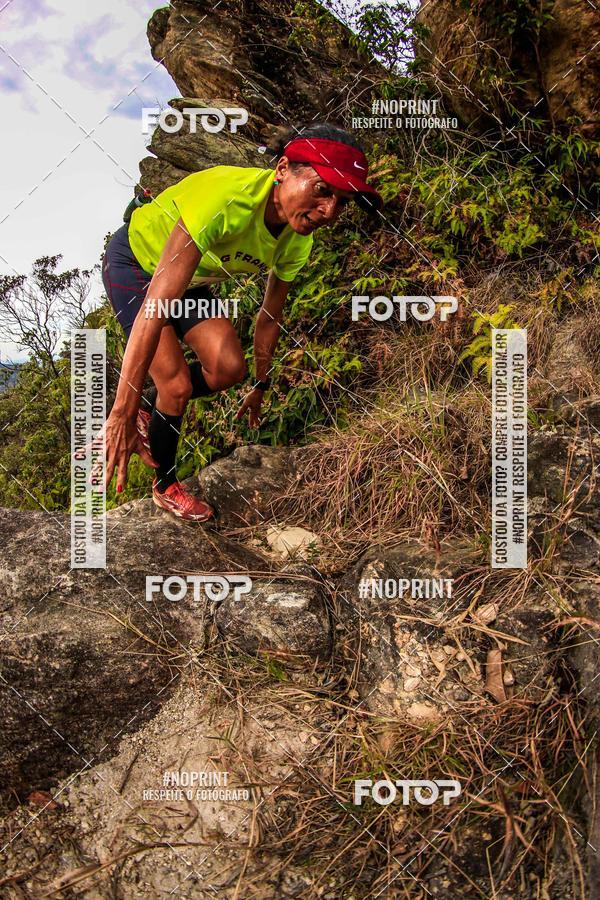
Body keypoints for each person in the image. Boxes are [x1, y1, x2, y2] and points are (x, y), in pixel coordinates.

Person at [100, 122, 382, 521]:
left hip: (191, 277)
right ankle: (165, 485)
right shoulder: (225, 200)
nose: (329, 211)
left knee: (230, 367)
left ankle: (153, 404)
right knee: (177, 383)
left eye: (342, 201)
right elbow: (157, 306)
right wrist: (121, 412)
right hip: (138, 265)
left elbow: (269, 315)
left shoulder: (297, 240)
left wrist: (261, 384)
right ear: (283, 169)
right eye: (322, 189)